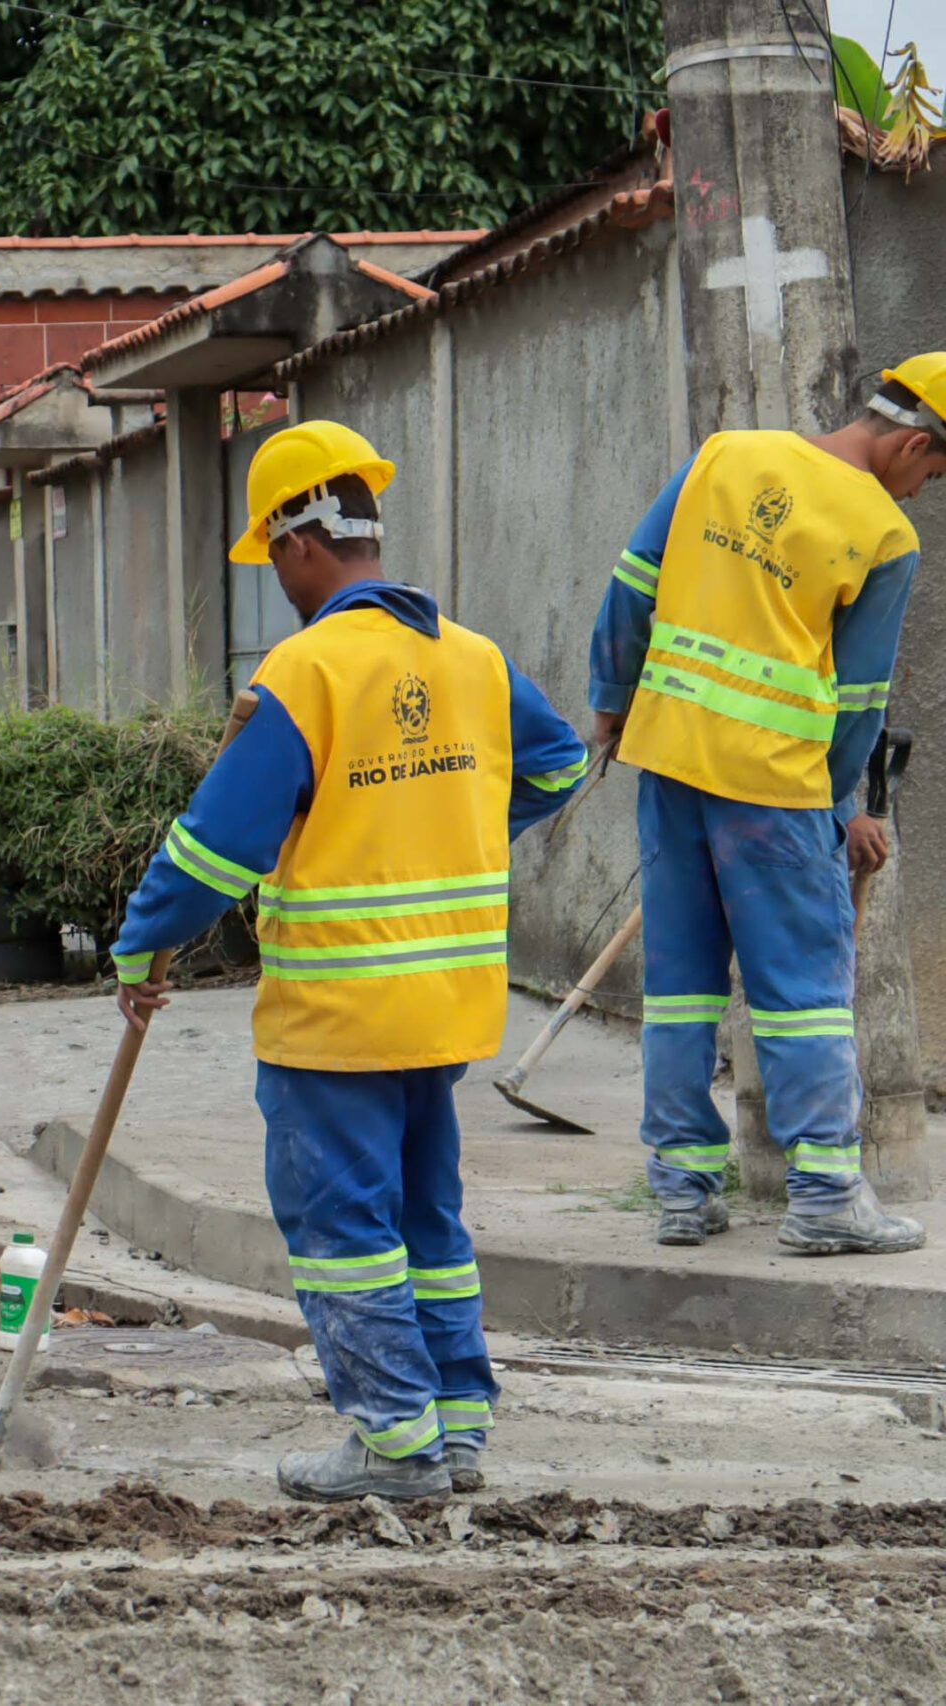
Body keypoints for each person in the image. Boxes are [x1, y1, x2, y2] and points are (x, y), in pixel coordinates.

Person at [109, 422, 587, 1502]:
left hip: (337, 1009)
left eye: (269, 558)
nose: (273, 579)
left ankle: (392, 1436)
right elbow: (557, 764)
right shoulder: (470, 656)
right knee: (427, 1213)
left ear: (294, 544)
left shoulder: (304, 668)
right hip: (445, 1006)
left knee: (339, 1222)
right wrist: (449, 820)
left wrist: (141, 937)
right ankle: (455, 1423)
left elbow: (213, 844)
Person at [591, 357, 946, 1256]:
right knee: (803, 995)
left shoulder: (722, 454)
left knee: (679, 986)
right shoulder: (885, 534)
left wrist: (612, 701)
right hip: (776, 786)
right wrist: (836, 810)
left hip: (669, 761)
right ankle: (826, 1192)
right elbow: (861, 699)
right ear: (912, 444)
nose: (923, 492)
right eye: (933, 475)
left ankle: (680, 1189)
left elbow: (633, 585)